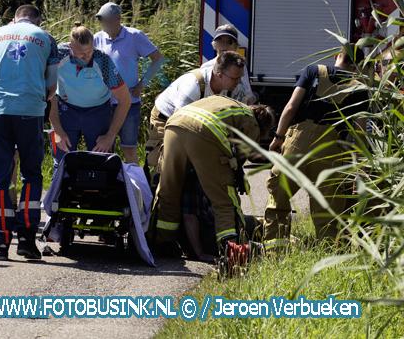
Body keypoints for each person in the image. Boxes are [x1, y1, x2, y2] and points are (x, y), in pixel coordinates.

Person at [0, 5, 59, 261]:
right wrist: (41, 96)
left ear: (14, 19)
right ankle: (27, 242)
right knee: (31, 174)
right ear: (37, 20)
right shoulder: (45, 38)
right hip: (29, 111)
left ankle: (0, 244)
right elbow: (51, 85)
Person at [263, 46, 368, 248]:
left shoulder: (313, 71)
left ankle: (275, 250)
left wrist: (278, 136)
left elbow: (291, 107)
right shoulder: (361, 89)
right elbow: (360, 132)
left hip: (297, 145)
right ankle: (327, 252)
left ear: (337, 56)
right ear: (358, 66)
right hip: (330, 151)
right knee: (327, 210)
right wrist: (359, 164)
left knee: (279, 200)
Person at [152, 96, 275, 259]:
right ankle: (229, 247)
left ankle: (162, 241)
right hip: (203, 130)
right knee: (223, 199)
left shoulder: (228, 103)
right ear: (264, 127)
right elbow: (240, 158)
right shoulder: (251, 122)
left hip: (174, 124)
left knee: (170, 189)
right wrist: (236, 176)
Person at [49, 25, 131, 169]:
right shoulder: (58, 55)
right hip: (66, 111)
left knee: (101, 162)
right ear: (70, 47)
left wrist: (110, 136)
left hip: (98, 112)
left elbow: (125, 100)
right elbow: (48, 95)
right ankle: (60, 190)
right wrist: (57, 130)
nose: (87, 57)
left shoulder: (102, 61)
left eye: (89, 51)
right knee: (62, 163)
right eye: (81, 53)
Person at [147, 51, 247, 169]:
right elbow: (179, 125)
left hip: (195, 121)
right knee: (169, 162)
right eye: (235, 78)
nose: (239, 82)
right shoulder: (192, 86)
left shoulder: (233, 88)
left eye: (240, 78)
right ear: (219, 74)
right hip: (167, 118)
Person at [94, 2, 164, 164]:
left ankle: (134, 187)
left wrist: (142, 84)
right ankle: (107, 185)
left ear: (118, 19)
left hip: (129, 103)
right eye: (102, 20)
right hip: (103, 103)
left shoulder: (134, 36)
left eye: (107, 20)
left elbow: (158, 59)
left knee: (129, 149)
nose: (104, 24)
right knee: (103, 149)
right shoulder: (97, 38)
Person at [200, 24, 256, 104]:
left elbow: (248, 96)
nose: (224, 45)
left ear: (236, 46)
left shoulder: (240, 67)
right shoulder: (206, 67)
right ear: (214, 45)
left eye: (229, 42)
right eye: (220, 41)